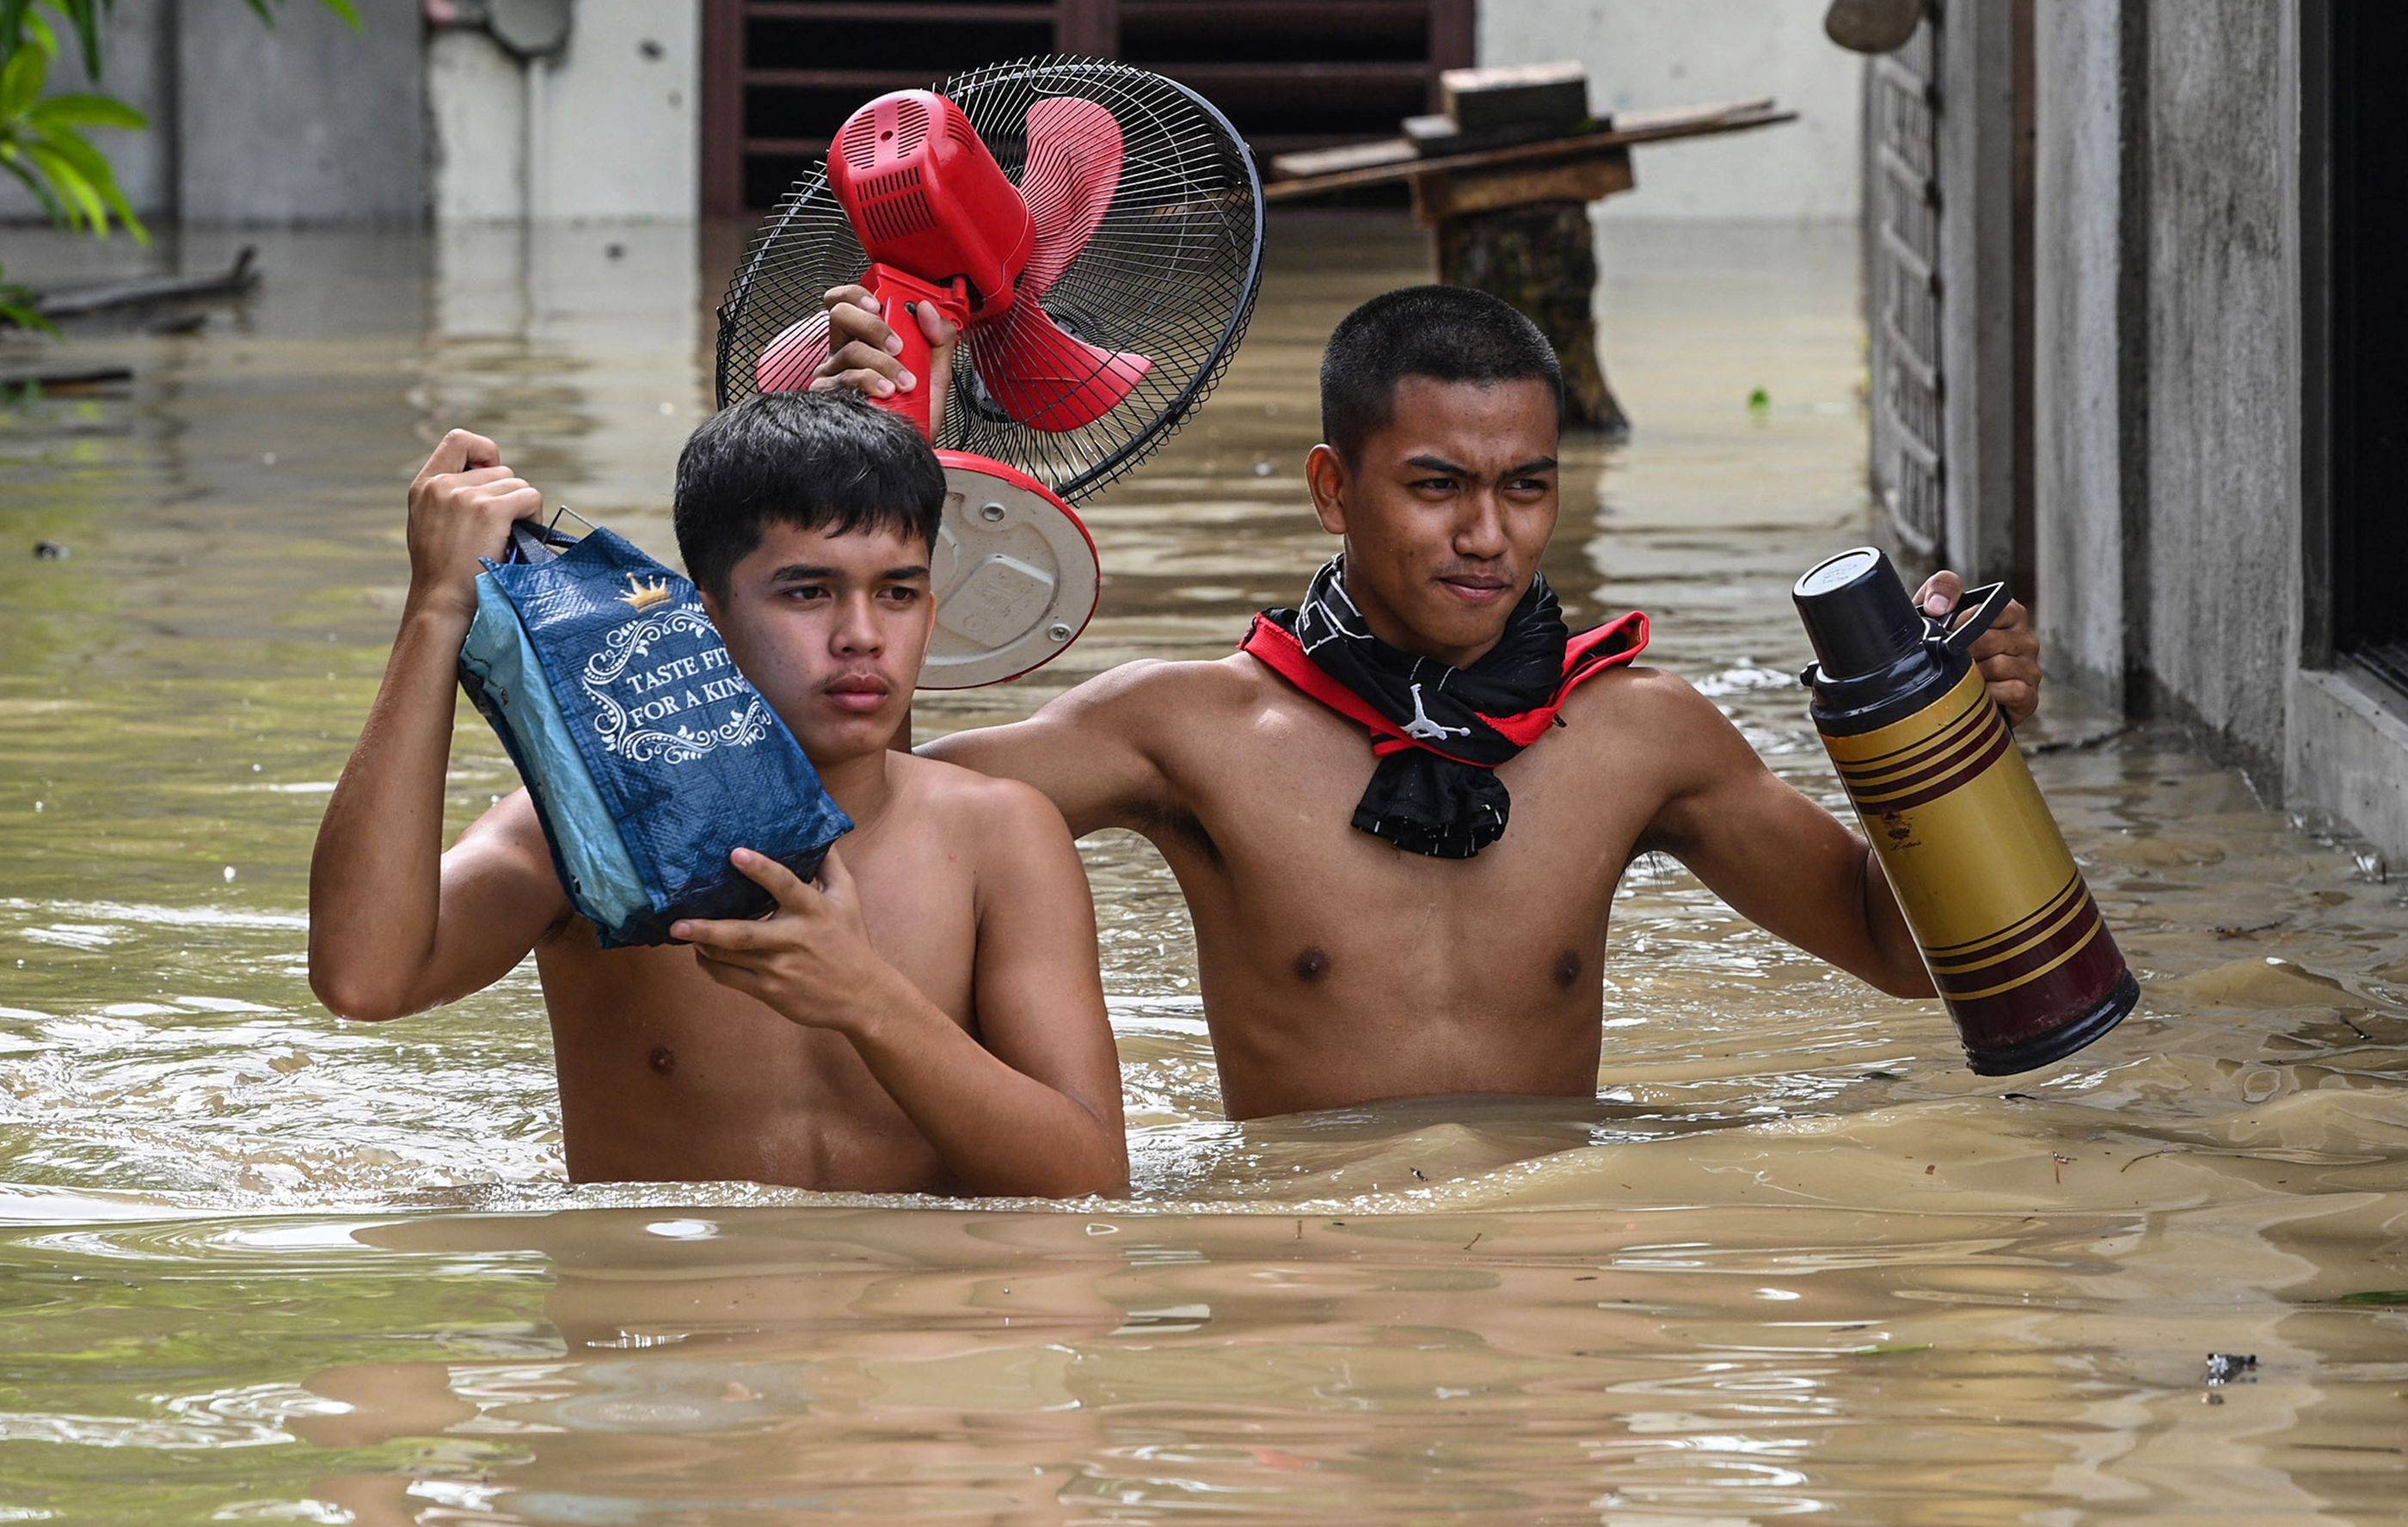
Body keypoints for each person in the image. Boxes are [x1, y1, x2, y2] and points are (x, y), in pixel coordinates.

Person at [810, 283, 2045, 1120]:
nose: (1487, 536)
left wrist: (1959, 737)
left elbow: (1900, 956)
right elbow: (872, 828)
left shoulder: (1638, 729)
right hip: (1314, 1295)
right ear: (1333, 490)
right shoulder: (1185, 731)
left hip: (1547, 1295)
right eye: (1438, 485)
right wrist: (872, 482)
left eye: (1526, 488)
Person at [308, 393, 1127, 1197]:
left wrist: (868, 1002)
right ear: (703, 620)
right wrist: (437, 606)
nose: (863, 635)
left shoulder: (999, 835)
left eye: (897, 594)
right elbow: (365, 982)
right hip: (677, 1324)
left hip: (919, 1323)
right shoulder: (589, 834)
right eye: (808, 592)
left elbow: (1089, 1183)